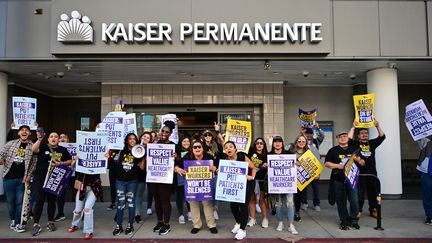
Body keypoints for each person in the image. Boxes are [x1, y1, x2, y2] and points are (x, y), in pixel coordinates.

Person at [31, 131, 72, 236]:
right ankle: (36, 224)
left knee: (51, 201)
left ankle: (50, 222)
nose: (53, 138)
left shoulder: (63, 149)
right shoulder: (43, 146)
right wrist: (40, 139)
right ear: (48, 139)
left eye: (56, 137)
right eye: (51, 136)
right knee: (39, 200)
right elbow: (34, 150)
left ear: (58, 139)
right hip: (40, 177)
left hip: (54, 179)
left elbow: (70, 161)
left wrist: (61, 163)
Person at [175, 139, 218, 234]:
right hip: (192, 186)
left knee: (207, 205)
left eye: (199, 147)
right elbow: (177, 165)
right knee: (193, 205)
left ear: (203, 148)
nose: (197, 148)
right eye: (195, 147)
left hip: (205, 186)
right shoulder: (187, 157)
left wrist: (215, 168)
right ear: (192, 149)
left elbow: (217, 165)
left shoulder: (209, 157)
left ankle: (211, 225)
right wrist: (177, 168)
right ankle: (196, 225)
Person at [325, 131, 365, 230]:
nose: (343, 138)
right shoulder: (333, 150)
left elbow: (363, 163)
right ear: (337, 139)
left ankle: (354, 221)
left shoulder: (354, 149)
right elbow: (326, 164)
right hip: (338, 179)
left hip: (352, 180)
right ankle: (344, 220)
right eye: (340, 137)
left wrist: (359, 160)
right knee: (341, 201)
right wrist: (338, 166)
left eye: (345, 136)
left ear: (348, 138)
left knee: (354, 201)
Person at [0, 125, 36, 233]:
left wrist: (29, 175)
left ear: (29, 133)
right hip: (8, 178)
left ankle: (17, 222)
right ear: (19, 133)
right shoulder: (10, 144)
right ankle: (12, 218)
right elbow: (1, 155)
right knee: (10, 201)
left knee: (20, 202)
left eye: (27, 131)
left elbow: (34, 163)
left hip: (22, 179)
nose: (24, 132)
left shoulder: (33, 146)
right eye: (22, 130)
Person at [348, 119, 385, 218]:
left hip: (372, 173)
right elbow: (348, 139)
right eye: (362, 133)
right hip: (359, 174)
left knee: (373, 192)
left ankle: (373, 209)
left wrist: (377, 126)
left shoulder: (372, 143)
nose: (364, 135)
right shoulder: (355, 144)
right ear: (358, 136)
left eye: (366, 133)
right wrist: (353, 127)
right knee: (359, 194)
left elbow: (382, 137)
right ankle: (358, 210)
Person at [149, 120, 179, 235]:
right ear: (160, 131)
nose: (164, 133)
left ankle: (167, 224)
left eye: (167, 132)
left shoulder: (172, 145)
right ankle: (160, 221)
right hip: (154, 177)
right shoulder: (155, 144)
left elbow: (179, 161)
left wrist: (176, 157)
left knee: (165, 201)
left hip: (166, 178)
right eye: (163, 131)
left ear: (170, 133)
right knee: (156, 201)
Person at [112, 133, 144, 236]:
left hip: (132, 181)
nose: (132, 140)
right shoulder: (121, 151)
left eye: (134, 139)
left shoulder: (138, 152)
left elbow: (142, 168)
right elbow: (112, 159)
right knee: (121, 203)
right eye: (130, 139)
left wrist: (143, 156)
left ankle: (130, 225)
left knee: (131, 203)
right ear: (127, 140)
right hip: (120, 181)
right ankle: (119, 226)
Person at [224, 141, 256, 240]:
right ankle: (238, 223)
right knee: (233, 206)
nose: (228, 149)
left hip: (247, 184)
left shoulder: (242, 156)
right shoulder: (226, 160)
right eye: (226, 147)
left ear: (235, 149)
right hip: (234, 186)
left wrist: (252, 177)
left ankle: (242, 229)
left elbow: (253, 167)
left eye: (231, 147)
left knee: (243, 206)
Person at [268, 136, 298, 235]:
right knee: (278, 204)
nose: (277, 143)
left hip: (288, 183)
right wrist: (264, 165)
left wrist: (297, 163)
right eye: (275, 142)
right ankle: (280, 222)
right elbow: (264, 167)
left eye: (279, 141)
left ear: (282, 143)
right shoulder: (269, 155)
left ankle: (291, 225)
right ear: (273, 144)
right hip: (276, 183)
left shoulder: (289, 154)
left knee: (290, 203)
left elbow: (296, 163)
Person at [67, 170, 103, 239]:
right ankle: (75, 224)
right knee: (78, 210)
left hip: (93, 187)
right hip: (81, 187)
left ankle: (88, 231)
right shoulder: (79, 159)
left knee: (87, 209)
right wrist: (76, 160)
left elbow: (104, 163)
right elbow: (72, 165)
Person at [300, 125, 325, 211]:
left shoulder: (316, 141)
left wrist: (318, 128)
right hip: (304, 166)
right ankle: (304, 203)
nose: (309, 134)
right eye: (307, 133)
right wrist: (302, 133)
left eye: (311, 133)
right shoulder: (302, 141)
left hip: (315, 167)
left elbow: (322, 136)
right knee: (304, 187)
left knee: (316, 187)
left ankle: (316, 204)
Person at [247, 137, 269, 228]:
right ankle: (252, 218)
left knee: (262, 200)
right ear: (255, 145)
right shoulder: (250, 153)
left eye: (261, 143)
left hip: (261, 181)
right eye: (257, 143)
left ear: (264, 145)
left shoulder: (267, 155)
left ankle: (265, 219)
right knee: (251, 200)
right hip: (251, 179)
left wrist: (266, 166)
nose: (259, 145)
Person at [202, 129, 223, 220]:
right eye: (206, 135)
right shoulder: (201, 146)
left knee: (215, 190)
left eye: (209, 135)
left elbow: (221, 156)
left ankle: (215, 209)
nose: (207, 137)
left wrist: (218, 167)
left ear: (212, 136)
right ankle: (208, 209)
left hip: (215, 172)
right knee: (207, 191)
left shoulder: (217, 145)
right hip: (204, 172)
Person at [135, 131, 153, 223]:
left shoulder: (150, 150)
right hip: (132, 175)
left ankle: (137, 214)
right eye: (144, 136)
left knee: (138, 196)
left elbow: (142, 167)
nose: (145, 138)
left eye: (148, 138)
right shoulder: (135, 146)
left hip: (142, 175)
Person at [54, 133, 73, 222]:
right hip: (61, 174)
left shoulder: (74, 147)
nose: (62, 139)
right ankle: (60, 213)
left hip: (74, 174)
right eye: (60, 137)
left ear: (68, 140)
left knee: (77, 193)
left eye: (64, 137)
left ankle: (80, 212)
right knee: (60, 194)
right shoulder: (57, 149)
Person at [416, 135, 432, 225]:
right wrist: (409, 122)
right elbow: (417, 136)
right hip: (427, 175)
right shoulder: (426, 142)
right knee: (427, 197)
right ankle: (429, 217)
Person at [176, 136, 192, 223]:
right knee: (180, 195)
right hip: (180, 177)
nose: (186, 143)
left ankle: (190, 212)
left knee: (189, 195)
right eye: (184, 141)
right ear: (181, 142)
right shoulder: (177, 152)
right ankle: (181, 214)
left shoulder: (192, 151)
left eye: (188, 141)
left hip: (191, 177)